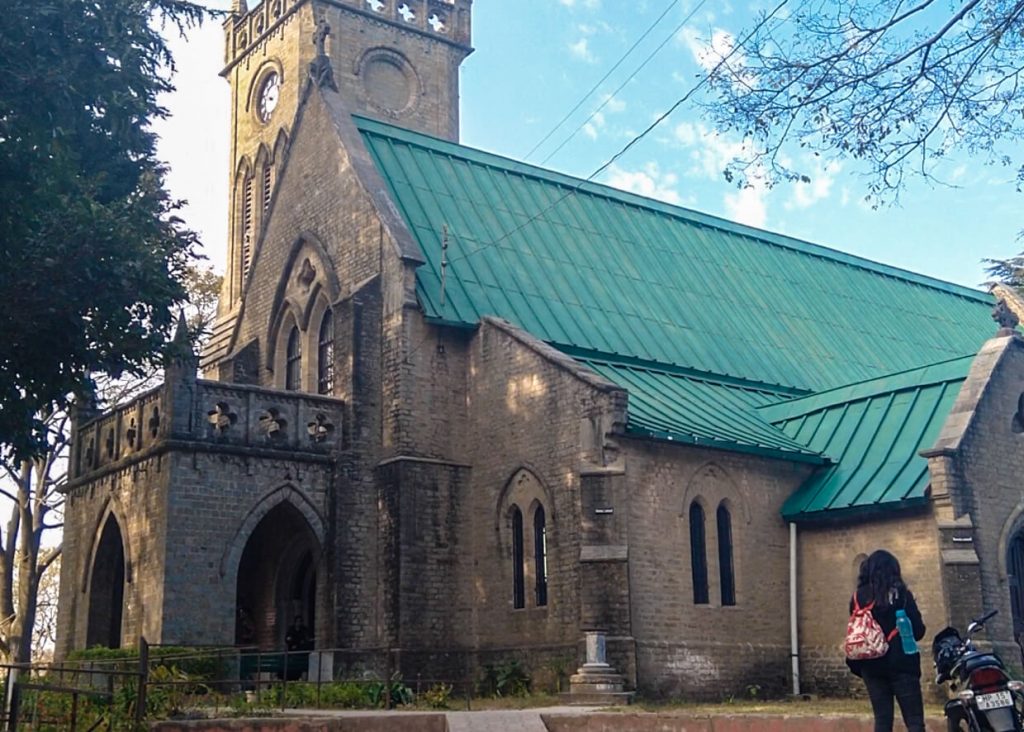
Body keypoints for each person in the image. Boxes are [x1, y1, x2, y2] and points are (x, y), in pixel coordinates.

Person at [847, 550, 927, 732]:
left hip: (870, 666)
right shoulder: (902, 595)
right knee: (914, 722)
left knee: (882, 722)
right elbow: (919, 631)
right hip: (902, 663)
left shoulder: (857, 597)